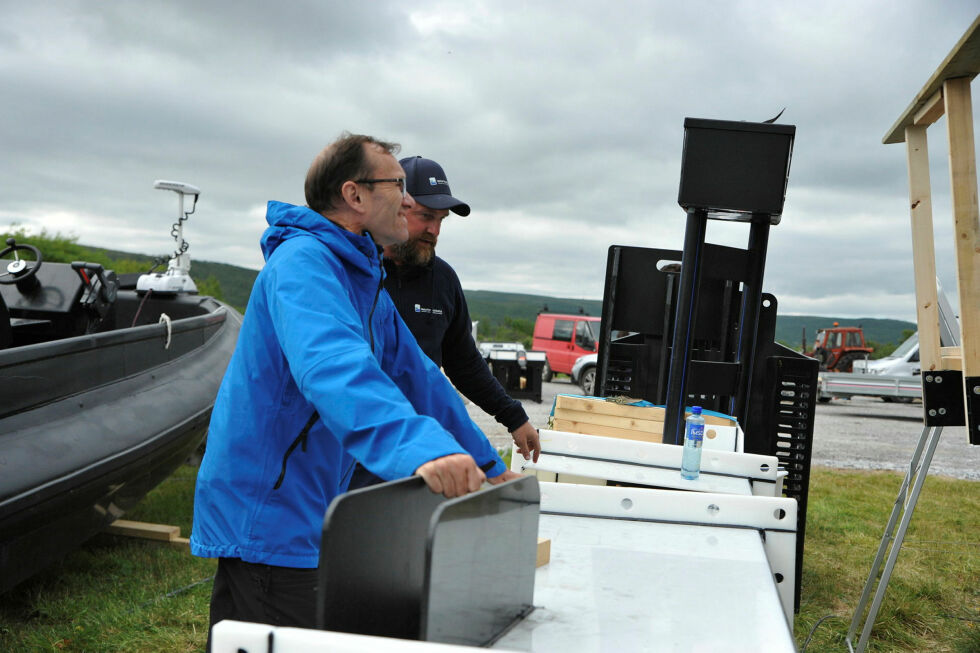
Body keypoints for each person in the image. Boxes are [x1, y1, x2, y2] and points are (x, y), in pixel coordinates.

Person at [190, 133, 519, 641]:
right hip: (270, 511)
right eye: (399, 186)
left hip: (311, 505)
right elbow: (334, 367)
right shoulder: (303, 265)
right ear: (355, 195)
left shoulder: (362, 278)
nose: (410, 202)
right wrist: (419, 449)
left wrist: (487, 463)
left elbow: (420, 378)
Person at [383, 155, 540, 462]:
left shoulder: (442, 279)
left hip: (414, 442)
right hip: (350, 438)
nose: (434, 230)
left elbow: (463, 362)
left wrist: (514, 417)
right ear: (393, 207)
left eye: (441, 219)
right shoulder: (356, 269)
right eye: (426, 216)